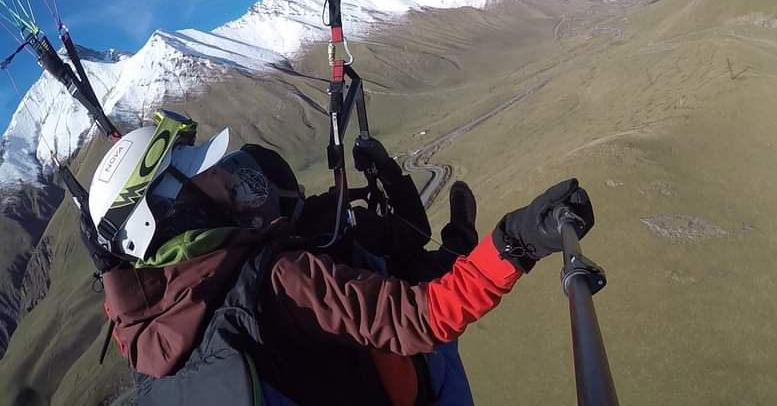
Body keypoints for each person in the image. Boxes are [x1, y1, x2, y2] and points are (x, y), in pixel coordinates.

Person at [79, 110, 594, 405]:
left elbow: (124, 309)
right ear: (171, 216)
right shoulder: (281, 280)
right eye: (211, 177)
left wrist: (112, 268)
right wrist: (519, 241)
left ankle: (457, 243)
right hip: (414, 387)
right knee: (440, 355)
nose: (232, 180)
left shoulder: (152, 330)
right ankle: (462, 244)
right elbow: (421, 317)